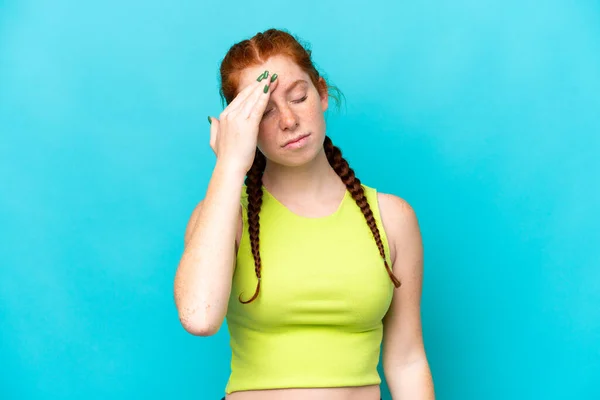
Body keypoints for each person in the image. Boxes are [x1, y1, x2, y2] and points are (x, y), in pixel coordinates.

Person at [173, 28, 435, 400]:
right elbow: (199, 316)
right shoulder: (223, 216)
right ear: (242, 125)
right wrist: (230, 165)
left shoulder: (392, 218)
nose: (288, 120)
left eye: (298, 97)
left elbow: (407, 360)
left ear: (322, 92)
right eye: (263, 112)